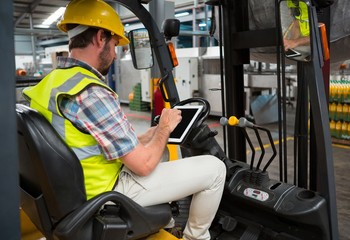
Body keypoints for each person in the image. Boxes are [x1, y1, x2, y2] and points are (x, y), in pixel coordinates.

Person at [22, 0, 226, 240]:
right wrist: (163, 129)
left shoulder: (52, 83)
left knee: (156, 151)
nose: (116, 53)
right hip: (103, 192)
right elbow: (144, 165)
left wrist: (147, 136)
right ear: (100, 37)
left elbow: (80, 141)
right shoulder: (90, 92)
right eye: (115, 43)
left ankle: (170, 221)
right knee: (214, 169)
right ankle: (195, 238)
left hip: (67, 190)